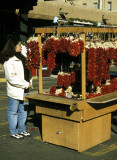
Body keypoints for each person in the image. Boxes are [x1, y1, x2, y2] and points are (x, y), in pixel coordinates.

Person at [0, 36, 31, 139]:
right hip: (16, 91)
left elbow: (27, 71)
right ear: (13, 47)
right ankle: (13, 131)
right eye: (18, 45)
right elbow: (11, 78)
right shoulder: (9, 61)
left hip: (25, 90)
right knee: (13, 111)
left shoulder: (22, 56)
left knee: (23, 110)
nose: (21, 46)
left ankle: (22, 129)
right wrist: (26, 84)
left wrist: (29, 82)